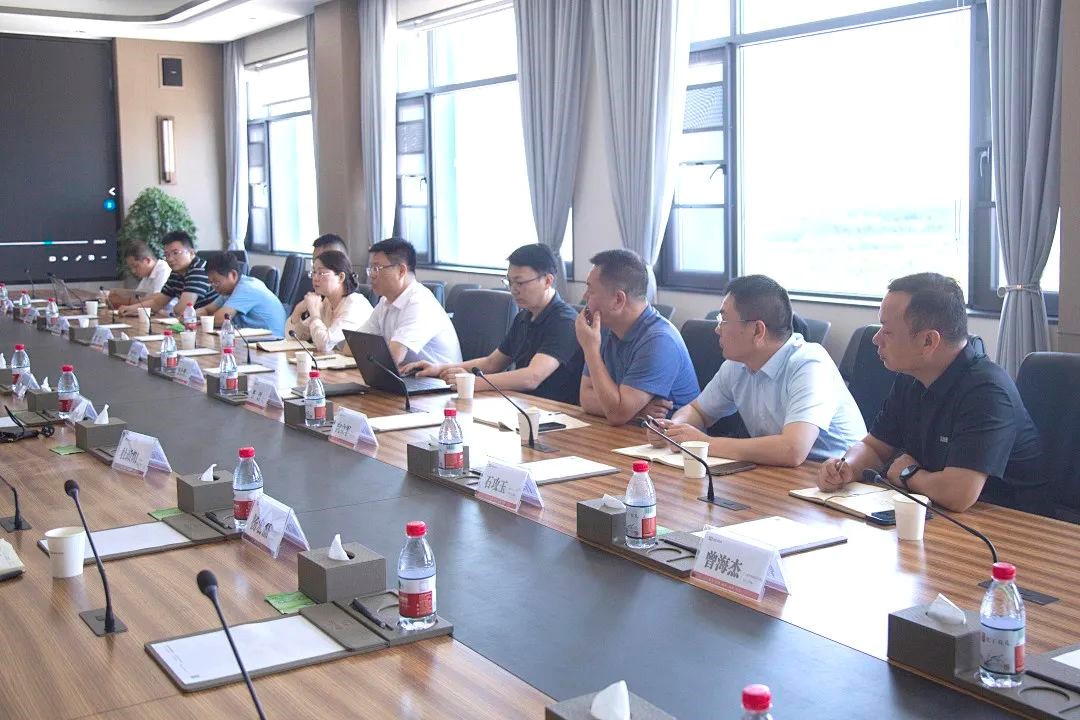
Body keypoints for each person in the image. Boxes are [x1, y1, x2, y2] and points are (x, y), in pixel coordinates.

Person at [817, 272, 1043, 513]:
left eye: (887, 331)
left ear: (928, 341)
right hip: (938, 511)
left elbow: (958, 494)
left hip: (1009, 521)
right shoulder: (911, 376)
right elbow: (875, 447)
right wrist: (847, 467)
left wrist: (908, 474)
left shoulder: (987, 391)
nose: (876, 339)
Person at [648, 275, 865, 467]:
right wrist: (674, 429)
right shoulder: (737, 364)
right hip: (779, 474)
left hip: (834, 480)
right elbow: (698, 411)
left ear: (758, 330)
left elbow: (792, 449)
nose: (717, 329)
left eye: (724, 320)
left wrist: (705, 443)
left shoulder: (809, 364)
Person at [401, 244, 583, 404]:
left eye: (520, 283)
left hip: (558, 413)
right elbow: (492, 362)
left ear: (548, 281)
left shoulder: (564, 321)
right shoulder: (524, 317)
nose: (514, 290)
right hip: (524, 405)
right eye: (510, 282)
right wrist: (439, 368)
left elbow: (532, 377)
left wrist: (472, 382)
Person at [576, 249, 698, 425]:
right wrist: (637, 411)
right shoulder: (603, 326)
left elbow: (617, 415)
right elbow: (586, 397)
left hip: (669, 440)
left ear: (618, 300)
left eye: (590, 290)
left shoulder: (660, 341)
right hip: (632, 432)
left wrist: (591, 351)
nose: (584, 296)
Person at [356, 238, 461, 366]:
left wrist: (367, 352)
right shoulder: (385, 301)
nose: (371, 275)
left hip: (438, 377)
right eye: (371, 268)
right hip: (407, 375)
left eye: (377, 268)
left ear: (401, 271)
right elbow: (353, 347)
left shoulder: (420, 303)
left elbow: (393, 357)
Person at [285, 250, 373, 353]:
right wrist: (298, 310)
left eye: (321, 273)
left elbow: (325, 345)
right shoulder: (327, 302)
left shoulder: (355, 305)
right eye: (314, 272)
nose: (315, 278)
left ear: (340, 277)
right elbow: (294, 338)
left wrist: (315, 315)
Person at [116, 231, 218, 316]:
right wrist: (130, 308)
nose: (170, 259)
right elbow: (157, 302)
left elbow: (183, 309)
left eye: (175, 253)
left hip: (212, 324)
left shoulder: (199, 270)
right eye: (167, 255)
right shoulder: (176, 273)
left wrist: (172, 311)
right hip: (190, 322)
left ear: (191, 253)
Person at [201, 253, 287, 336]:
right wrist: (194, 315)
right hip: (254, 338)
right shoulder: (229, 291)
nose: (214, 287)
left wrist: (201, 319)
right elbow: (207, 310)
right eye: (211, 282)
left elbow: (220, 319)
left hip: (272, 340)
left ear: (233, 275)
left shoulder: (247, 288)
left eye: (216, 282)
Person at [107, 241, 170, 307]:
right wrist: (118, 294)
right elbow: (138, 295)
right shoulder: (147, 274)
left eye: (135, 266)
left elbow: (158, 298)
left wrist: (126, 301)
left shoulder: (163, 269)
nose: (133, 271)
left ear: (147, 260)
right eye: (131, 267)